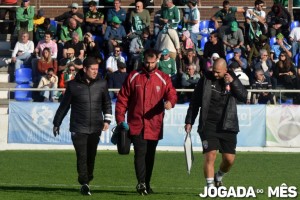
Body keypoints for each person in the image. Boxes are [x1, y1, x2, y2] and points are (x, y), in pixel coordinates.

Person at [115, 49, 177, 195]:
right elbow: (122, 99)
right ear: (143, 60)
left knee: (150, 156)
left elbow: (172, 93)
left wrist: (170, 102)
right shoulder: (133, 76)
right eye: (147, 63)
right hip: (136, 124)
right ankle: (141, 183)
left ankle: (147, 183)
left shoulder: (163, 77)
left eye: (152, 62)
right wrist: (120, 119)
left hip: (154, 125)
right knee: (140, 154)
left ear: (157, 60)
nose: (149, 65)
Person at [184, 58, 247, 191]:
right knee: (210, 155)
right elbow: (195, 102)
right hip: (208, 124)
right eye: (214, 70)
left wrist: (233, 82)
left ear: (225, 70)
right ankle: (210, 187)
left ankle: (219, 176)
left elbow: (243, 96)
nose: (215, 74)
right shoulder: (205, 79)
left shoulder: (232, 78)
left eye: (218, 72)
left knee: (229, 160)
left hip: (228, 125)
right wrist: (189, 121)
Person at [53, 57, 112, 196]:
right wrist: (57, 123)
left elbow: (107, 104)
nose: (95, 72)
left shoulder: (102, 84)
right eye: (93, 69)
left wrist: (107, 121)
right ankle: (84, 183)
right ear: (85, 69)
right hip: (78, 127)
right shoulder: (73, 85)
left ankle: (87, 178)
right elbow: (64, 106)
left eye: (97, 69)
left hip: (96, 127)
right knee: (82, 156)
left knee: (91, 156)